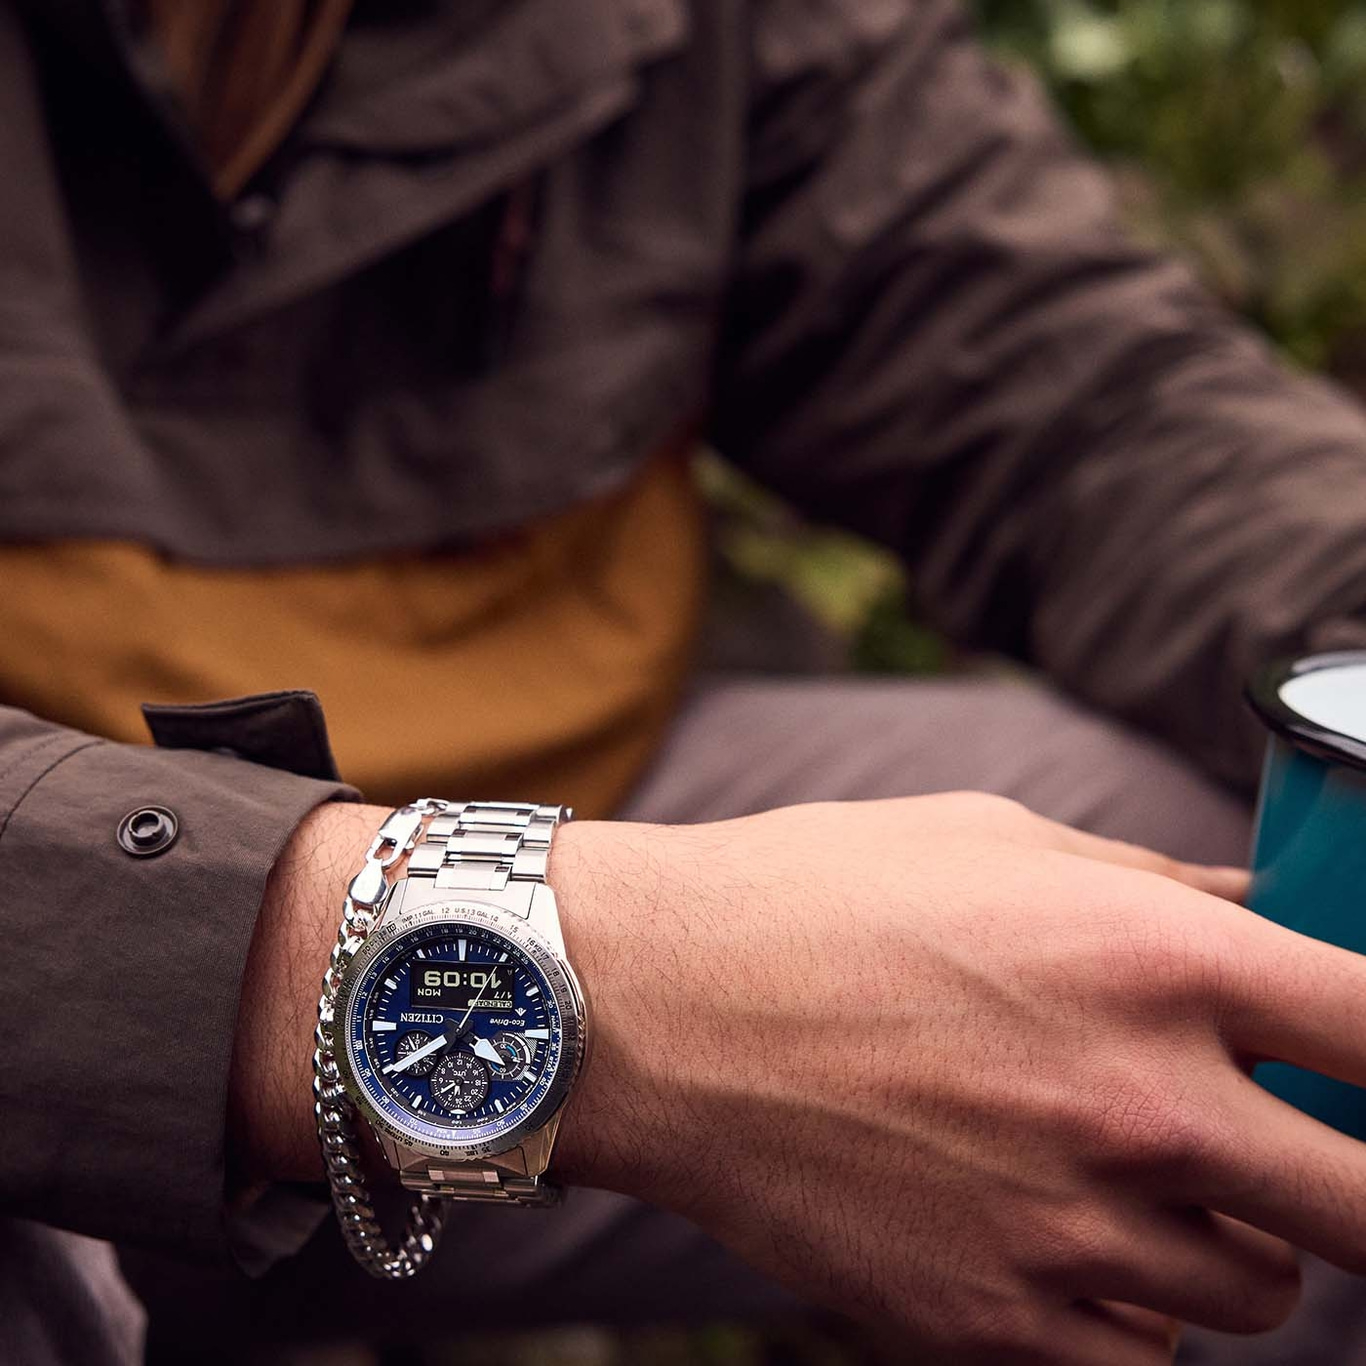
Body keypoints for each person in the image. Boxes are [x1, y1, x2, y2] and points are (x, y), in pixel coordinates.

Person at [5, 2, 1366, 1363]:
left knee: (1269, 921)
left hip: (570, 789)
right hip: (57, 979)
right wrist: (620, 1002)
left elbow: (1071, 385)